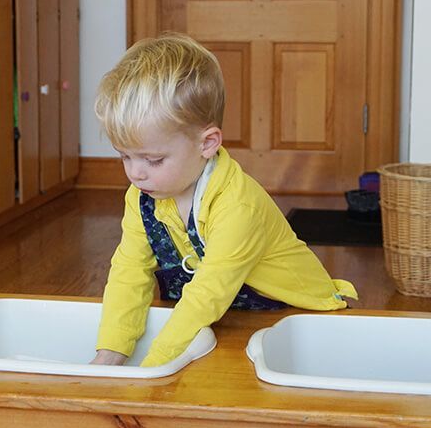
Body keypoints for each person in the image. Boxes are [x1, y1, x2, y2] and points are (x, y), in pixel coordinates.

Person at [91, 33, 357, 367]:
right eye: (124, 157)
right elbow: (129, 270)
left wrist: (150, 366)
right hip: (223, 316)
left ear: (207, 144)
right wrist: (109, 353)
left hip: (292, 317)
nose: (136, 173)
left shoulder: (238, 206)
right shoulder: (143, 197)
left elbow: (208, 293)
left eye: (153, 160)